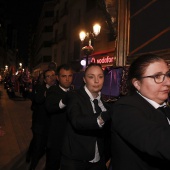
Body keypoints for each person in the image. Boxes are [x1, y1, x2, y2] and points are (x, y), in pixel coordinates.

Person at [111, 53, 170, 170]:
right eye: (157, 77)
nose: (168, 82)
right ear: (137, 84)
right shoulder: (124, 108)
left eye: (168, 75)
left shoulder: (165, 108)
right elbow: (158, 141)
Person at [60, 63, 111, 170]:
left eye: (100, 77)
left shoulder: (105, 101)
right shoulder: (74, 96)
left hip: (99, 159)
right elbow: (77, 121)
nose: (96, 81)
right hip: (76, 160)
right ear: (84, 79)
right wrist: (102, 117)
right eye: (91, 77)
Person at [45, 64, 74, 170]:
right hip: (56, 140)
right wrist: (64, 101)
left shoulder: (74, 91)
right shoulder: (53, 90)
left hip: (71, 140)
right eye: (64, 76)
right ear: (57, 77)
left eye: (70, 76)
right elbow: (50, 107)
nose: (67, 79)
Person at [27, 69, 56, 170]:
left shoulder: (58, 89)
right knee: (37, 147)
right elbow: (38, 99)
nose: (51, 78)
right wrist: (46, 93)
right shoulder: (41, 88)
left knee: (47, 148)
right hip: (39, 125)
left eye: (52, 75)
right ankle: (32, 165)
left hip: (51, 126)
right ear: (44, 80)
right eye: (48, 76)